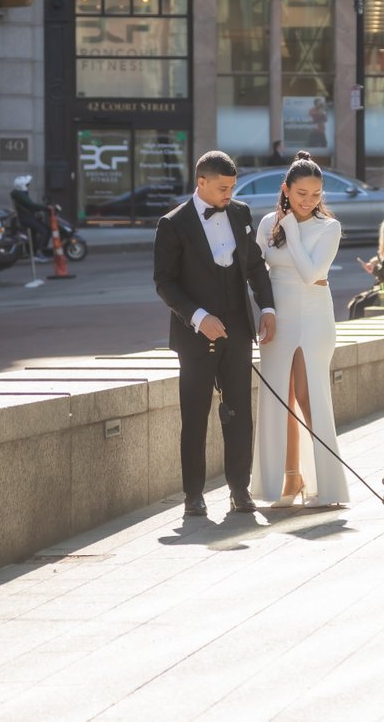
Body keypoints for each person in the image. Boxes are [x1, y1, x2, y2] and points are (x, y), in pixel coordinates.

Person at [153, 151, 276, 517]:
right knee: (195, 415)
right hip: (194, 337)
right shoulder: (172, 223)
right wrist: (198, 316)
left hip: (238, 331)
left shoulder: (239, 213)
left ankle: (240, 489)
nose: (229, 194)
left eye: (233, 187)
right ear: (201, 182)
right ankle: (193, 495)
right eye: (223, 188)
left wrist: (267, 308)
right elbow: (165, 283)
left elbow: (255, 266)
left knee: (240, 412)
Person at [251, 151, 350, 508]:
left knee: (309, 396)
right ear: (286, 190)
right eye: (302, 193)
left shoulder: (329, 228)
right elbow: (256, 271)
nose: (309, 200)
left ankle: (329, 485)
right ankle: (290, 481)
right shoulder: (265, 225)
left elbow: (312, 274)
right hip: (278, 318)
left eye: (316, 193)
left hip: (314, 319)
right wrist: (262, 311)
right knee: (281, 397)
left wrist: (290, 224)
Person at [10, 175, 52, 260]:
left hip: (28, 216)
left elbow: (29, 206)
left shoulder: (20, 194)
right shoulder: (20, 195)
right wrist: (46, 208)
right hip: (26, 218)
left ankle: (37, 250)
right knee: (44, 231)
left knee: (43, 230)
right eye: (27, 184)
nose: (28, 186)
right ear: (22, 186)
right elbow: (31, 205)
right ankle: (38, 253)